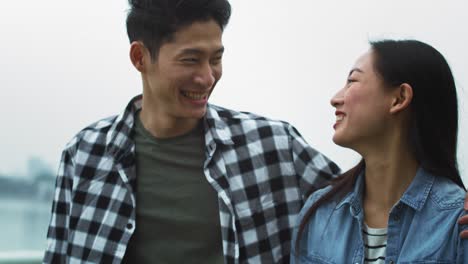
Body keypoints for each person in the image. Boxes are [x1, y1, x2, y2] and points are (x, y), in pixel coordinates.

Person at [43, 0, 341, 263]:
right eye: (191, 60)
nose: (208, 77)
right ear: (140, 58)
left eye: (215, 59)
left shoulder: (274, 146)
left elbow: (364, 210)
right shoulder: (84, 154)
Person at [291, 39, 468, 263]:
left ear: (400, 98)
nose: (335, 99)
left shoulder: (457, 221)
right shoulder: (319, 214)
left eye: (352, 81)